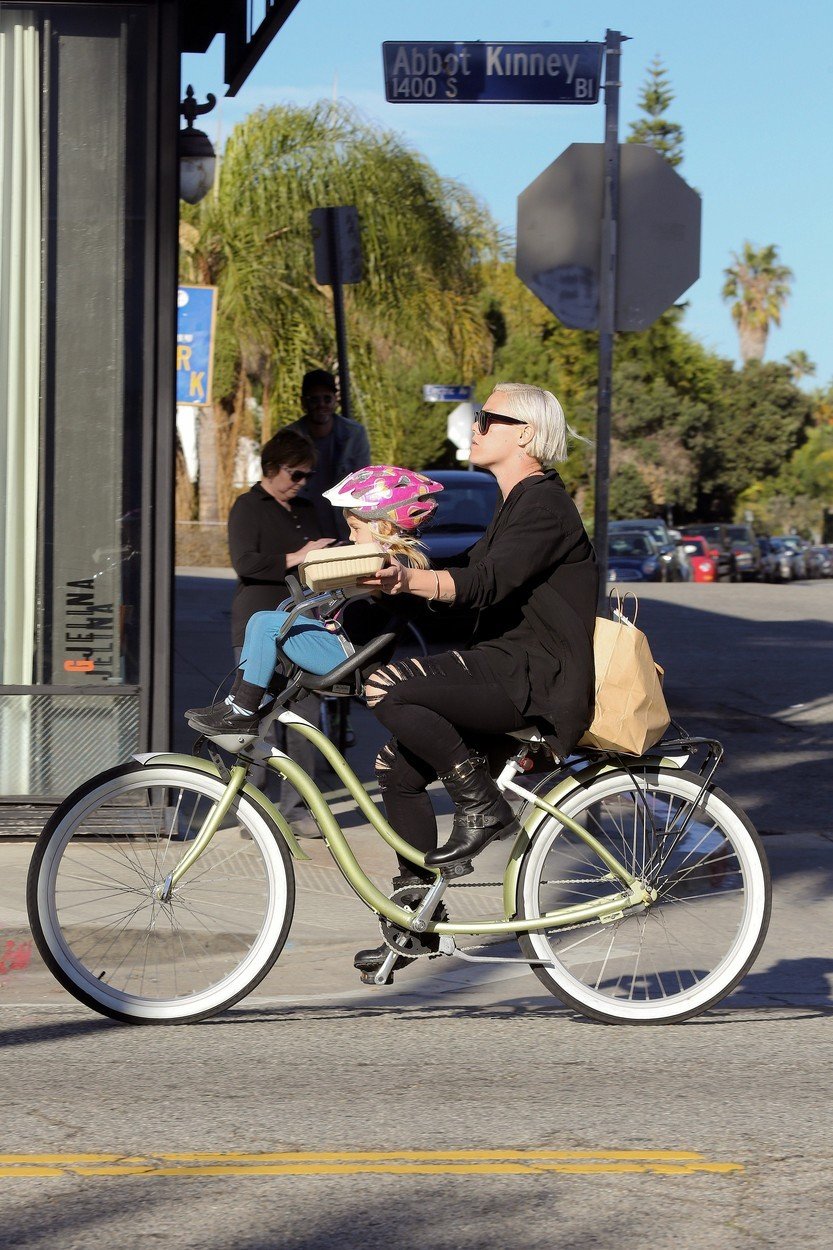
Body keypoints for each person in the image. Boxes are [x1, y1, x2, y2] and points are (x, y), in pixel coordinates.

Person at [352, 382, 599, 981]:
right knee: (398, 769)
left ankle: (481, 804)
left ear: (525, 435)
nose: (477, 425)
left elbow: (485, 584)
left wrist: (409, 582)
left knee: (387, 687)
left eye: (489, 418)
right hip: (510, 668)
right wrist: (396, 574)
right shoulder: (516, 504)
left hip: (537, 679)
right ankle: (415, 918)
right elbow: (464, 580)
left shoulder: (544, 506)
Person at [188, 466, 443, 734]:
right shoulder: (380, 558)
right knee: (261, 619)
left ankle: (243, 710)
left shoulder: (398, 566)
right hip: (338, 647)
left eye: (356, 528)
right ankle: (237, 702)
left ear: (385, 526)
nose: (352, 536)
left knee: (267, 625)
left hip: (347, 659)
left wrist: (377, 578)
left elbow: (398, 589)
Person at [196, 428, 334, 839]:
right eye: (295, 474)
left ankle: (298, 808)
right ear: (272, 468)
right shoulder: (247, 506)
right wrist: (301, 555)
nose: (302, 483)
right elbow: (246, 563)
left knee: (304, 720)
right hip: (256, 621)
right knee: (255, 717)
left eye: (308, 475)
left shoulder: (307, 507)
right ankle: (253, 807)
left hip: (301, 622)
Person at [286, 369, 371, 539]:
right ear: (303, 402)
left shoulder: (354, 434)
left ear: (335, 401)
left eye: (327, 398)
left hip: (346, 528)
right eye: (314, 399)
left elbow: (365, 483)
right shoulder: (290, 436)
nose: (321, 404)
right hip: (304, 529)